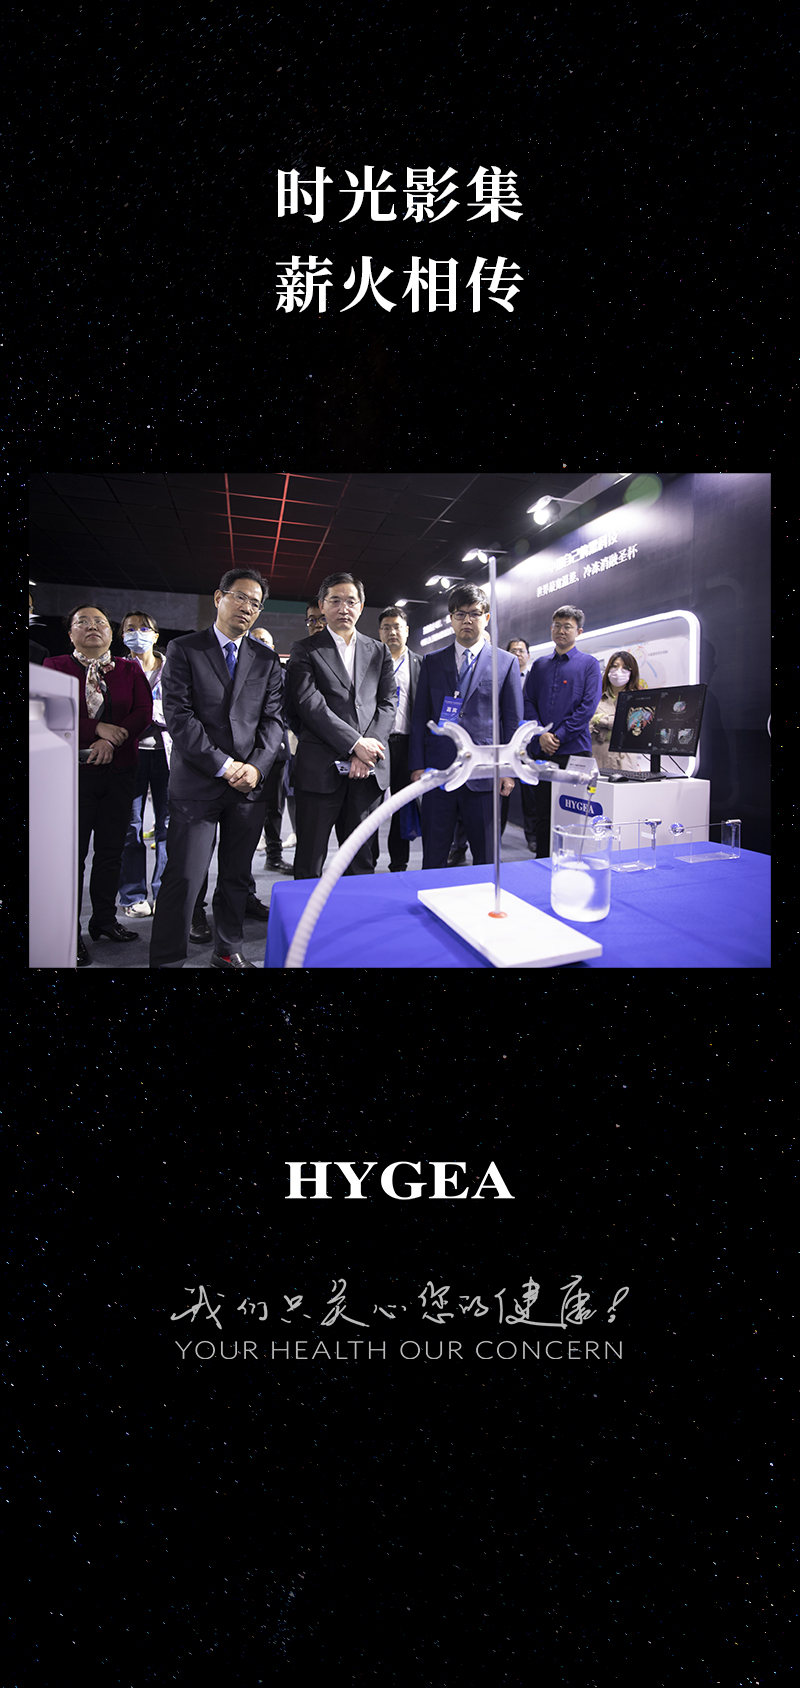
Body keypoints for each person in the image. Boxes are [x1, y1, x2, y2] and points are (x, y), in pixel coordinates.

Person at [148, 569, 284, 969]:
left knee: (237, 876)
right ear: (218, 597)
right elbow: (179, 716)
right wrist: (224, 766)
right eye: (240, 597)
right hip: (198, 782)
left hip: (248, 788)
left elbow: (273, 721)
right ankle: (167, 959)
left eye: (256, 603)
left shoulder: (266, 659)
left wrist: (256, 768)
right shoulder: (184, 649)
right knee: (185, 877)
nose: (247, 607)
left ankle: (227, 950)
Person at [43, 604, 153, 967]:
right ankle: (67, 932)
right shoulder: (55, 665)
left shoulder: (128, 668)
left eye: (100, 622)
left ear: (111, 632)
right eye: (83, 622)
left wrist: (110, 742)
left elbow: (143, 712)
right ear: (70, 632)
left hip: (120, 772)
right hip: (72, 774)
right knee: (71, 857)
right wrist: (96, 730)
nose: (92, 627)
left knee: (110, 852)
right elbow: (48, 713)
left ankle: (104, 920)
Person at [285, 572, 396, 880]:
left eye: (350, 601)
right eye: (335, 601)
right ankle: (306, 914)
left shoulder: (379, 651)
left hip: (367, 773)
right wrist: (354, 744)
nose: (343, 608)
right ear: (322, 605)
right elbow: (309, 706)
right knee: (310, 860)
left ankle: (356, 911)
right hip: (319, 771)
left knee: (361, 860)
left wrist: (367, 751)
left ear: (361, 606)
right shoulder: (304, 649)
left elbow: (388, 703)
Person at [409, 585, 523, 870]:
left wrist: (509, 769)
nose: (467, 620)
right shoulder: (432, 661)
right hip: (439, 770)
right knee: (434, 854)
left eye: (474, 613)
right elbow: (420, 716)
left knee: (486, 856)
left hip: (484, 773)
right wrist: (417, 765)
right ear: (451, 619)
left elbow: (512, 721)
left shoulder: (505, 662)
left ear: (486, 618)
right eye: (460, 614)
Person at [522, 605, 602, 856]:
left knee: (575, 813)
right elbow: (527, 702)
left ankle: (574, 865)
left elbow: (588, 707)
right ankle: (542, 862)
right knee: (543, 813)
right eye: (557, 625)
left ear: (579, 631)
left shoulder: (589, 664)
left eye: (567, 626)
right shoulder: (539, 666)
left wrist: (559, 736)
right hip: (542, 751)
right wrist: (541, 734)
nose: (561, 631)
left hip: (575, 751)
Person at [117, 612, 172, 919]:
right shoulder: (117, 668)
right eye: (130, 629)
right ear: (122, 635)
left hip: (167, 755)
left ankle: (164, 892)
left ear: (155, 635)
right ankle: (133, 894)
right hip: (131, 753)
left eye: (143, 628)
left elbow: (183, 707)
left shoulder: (173, 667)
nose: (137, 633)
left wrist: (149, 713)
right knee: (131, 827)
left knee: (168, 826)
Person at [376, 605, 423, 871]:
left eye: (397, 627)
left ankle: (399, 863)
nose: (392, 632)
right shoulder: (370, 661)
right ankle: (367, 861)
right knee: (370, 807)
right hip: (376, 745)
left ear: (406, 631)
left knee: (402, 807)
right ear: (379, 632)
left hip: (406, 745)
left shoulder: (420, 664)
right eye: (386, 628)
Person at [590, 651, 647, 772]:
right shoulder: (594, 695)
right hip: (597, 758)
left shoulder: (639, 698)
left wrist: (598, 719)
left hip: (624, 761)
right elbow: (586, 724)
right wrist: (615, 724)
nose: (618, 671)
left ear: (632, 672)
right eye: (614, 666)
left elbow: (632, 727)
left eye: (625, 668)